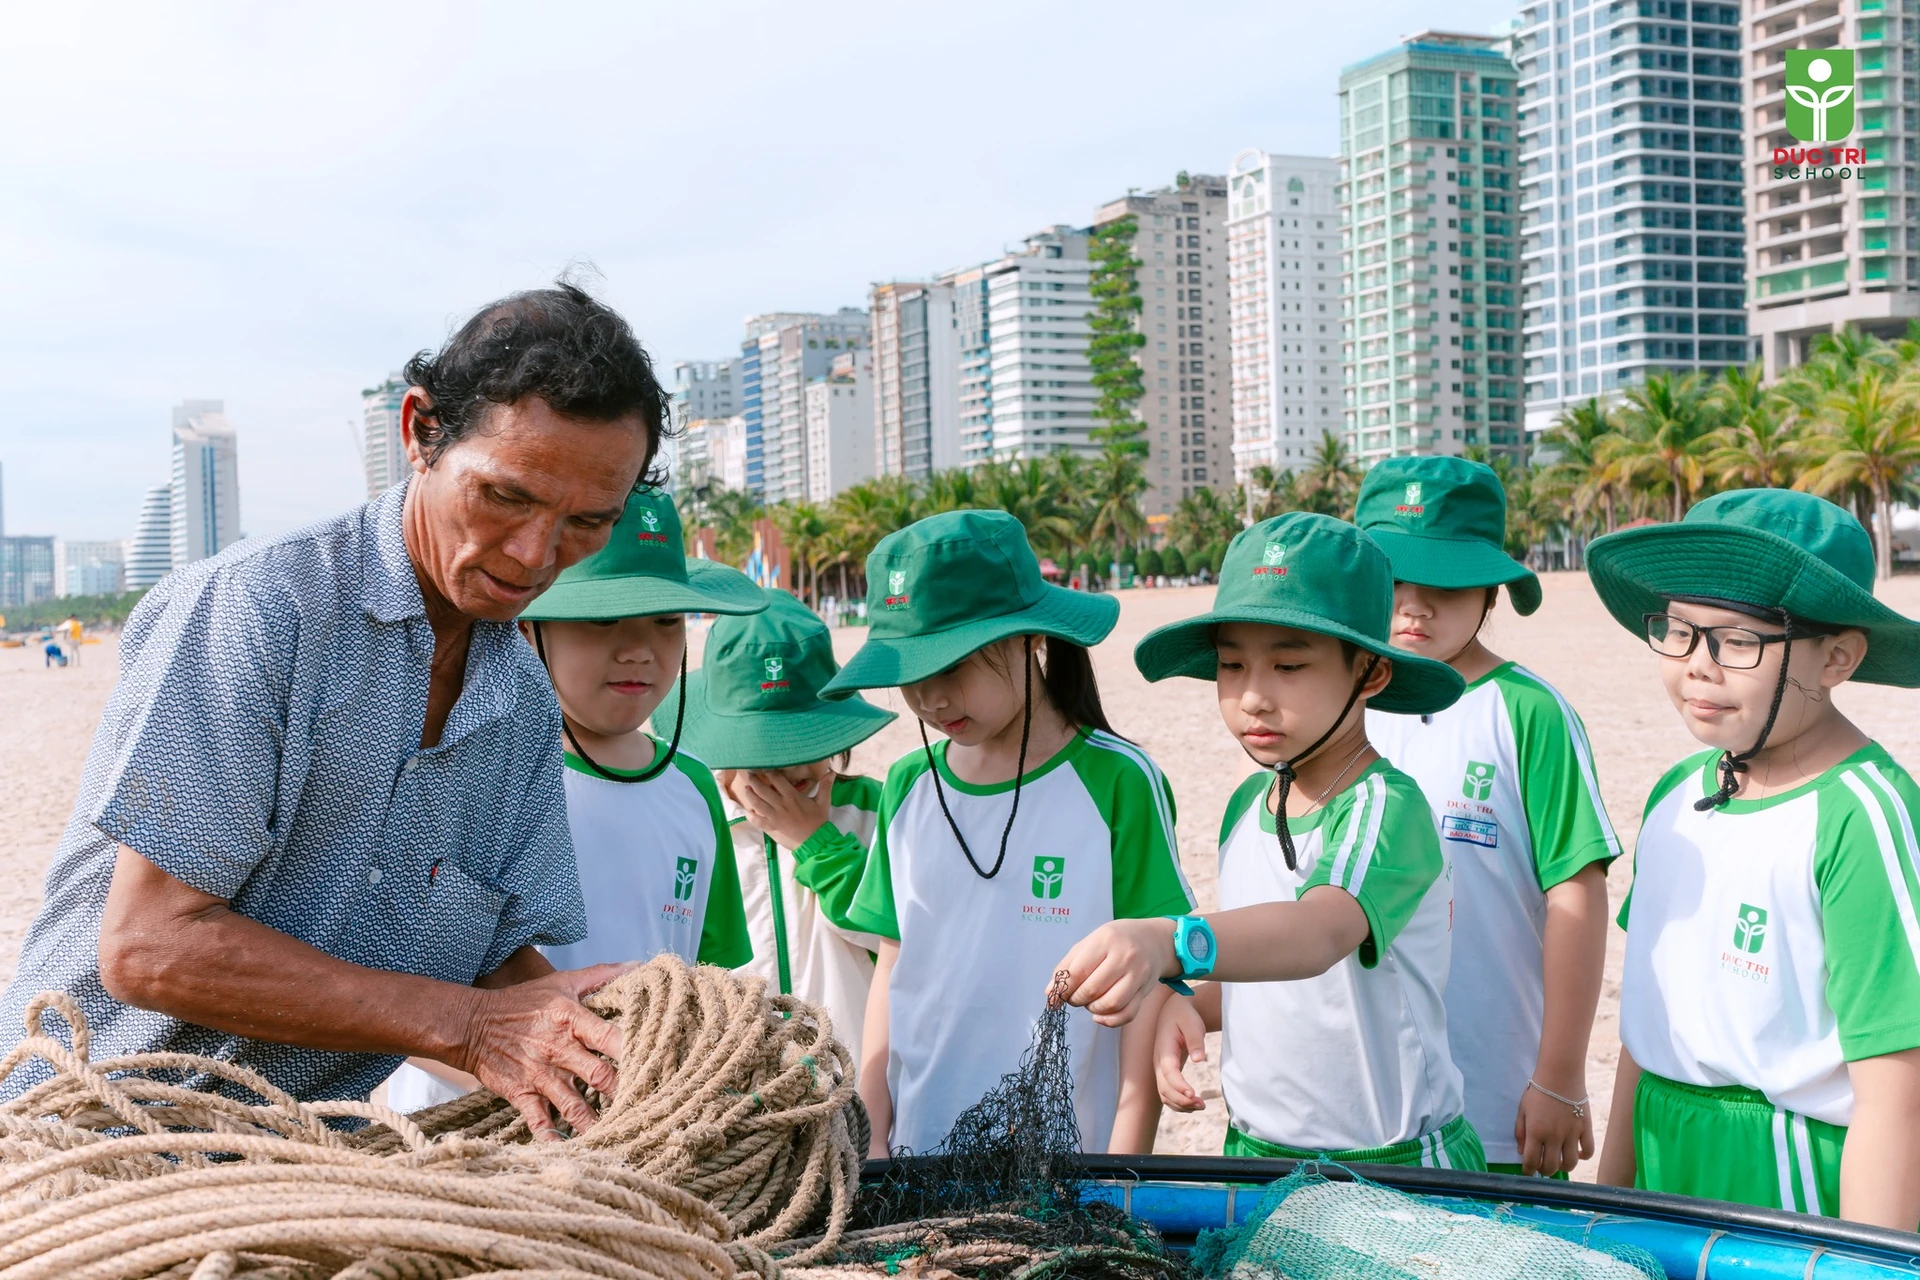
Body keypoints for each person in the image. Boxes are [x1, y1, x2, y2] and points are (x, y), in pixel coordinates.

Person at [0, 283, 668, 1140]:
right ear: (421, 432)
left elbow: (494, 972)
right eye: (506, 497)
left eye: (588, 521)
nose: (538, 554)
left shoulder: (524, 708)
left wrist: (602, 1033)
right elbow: (148, 948)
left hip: (306, 1171)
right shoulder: (262, 609)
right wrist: (468, 1029)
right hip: (91, 1140)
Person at [1057, 513, 1485, 1170]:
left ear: (1369, 673)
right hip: (1257, 1151)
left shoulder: (1382, 806)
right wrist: (1186, 1001)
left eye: (1288, 664)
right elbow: (1265, 978)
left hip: (1391, 1163)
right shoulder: (1246, 808)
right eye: (1232, 665)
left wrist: (1171, 943)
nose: (1252, 696)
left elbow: (1316, 935)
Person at [1588, 490, 1920, 1229]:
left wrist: (1864, 1257)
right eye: (1678, 631)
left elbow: (1897, 1087)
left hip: (1786, 1175)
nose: (1697, 669)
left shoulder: (1859, 814)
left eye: (1737, 642)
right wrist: (1607, 1206)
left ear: (1836, 657)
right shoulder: (1677, 794)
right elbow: (1647, 1026)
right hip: (1661, 1148)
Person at [821, 510, 1194, 1158]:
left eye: (954, 664)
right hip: (916, 1145)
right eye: (911, 674)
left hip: (1070, 1159)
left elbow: (1153, 981)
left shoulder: (1117, 780)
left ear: (1030, 638)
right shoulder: (909, 783)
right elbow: (893, 962)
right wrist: (875, 1132)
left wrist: (1124, 1165)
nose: (932, 698)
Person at [387, 488, 766, 1113]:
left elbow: (711, 979)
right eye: (602, 620)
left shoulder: (696, 788)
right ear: (531, 623)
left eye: (666, 621)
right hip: (466, 1120)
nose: (639, 650)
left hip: (632, 1121)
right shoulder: (466, 770)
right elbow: (392, 977)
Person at [1356, 457, 1619, 1177]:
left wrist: (1560, 1075)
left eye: (1442, 583)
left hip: (1497, 1094)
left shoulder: (1527, 711)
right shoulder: (1336, 703)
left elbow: (1577, 891)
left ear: (1491, 588)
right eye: (1391, 580)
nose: (1413, 607)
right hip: (1358, 1102)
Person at [658, 589, 897, 1060]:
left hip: (858, 1079)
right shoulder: (692, 819)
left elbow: (906, 944)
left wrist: (818, 844)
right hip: (736, 1091)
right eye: (762, 751)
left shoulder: (880, 809)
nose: (785, 770)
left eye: (802, 745)